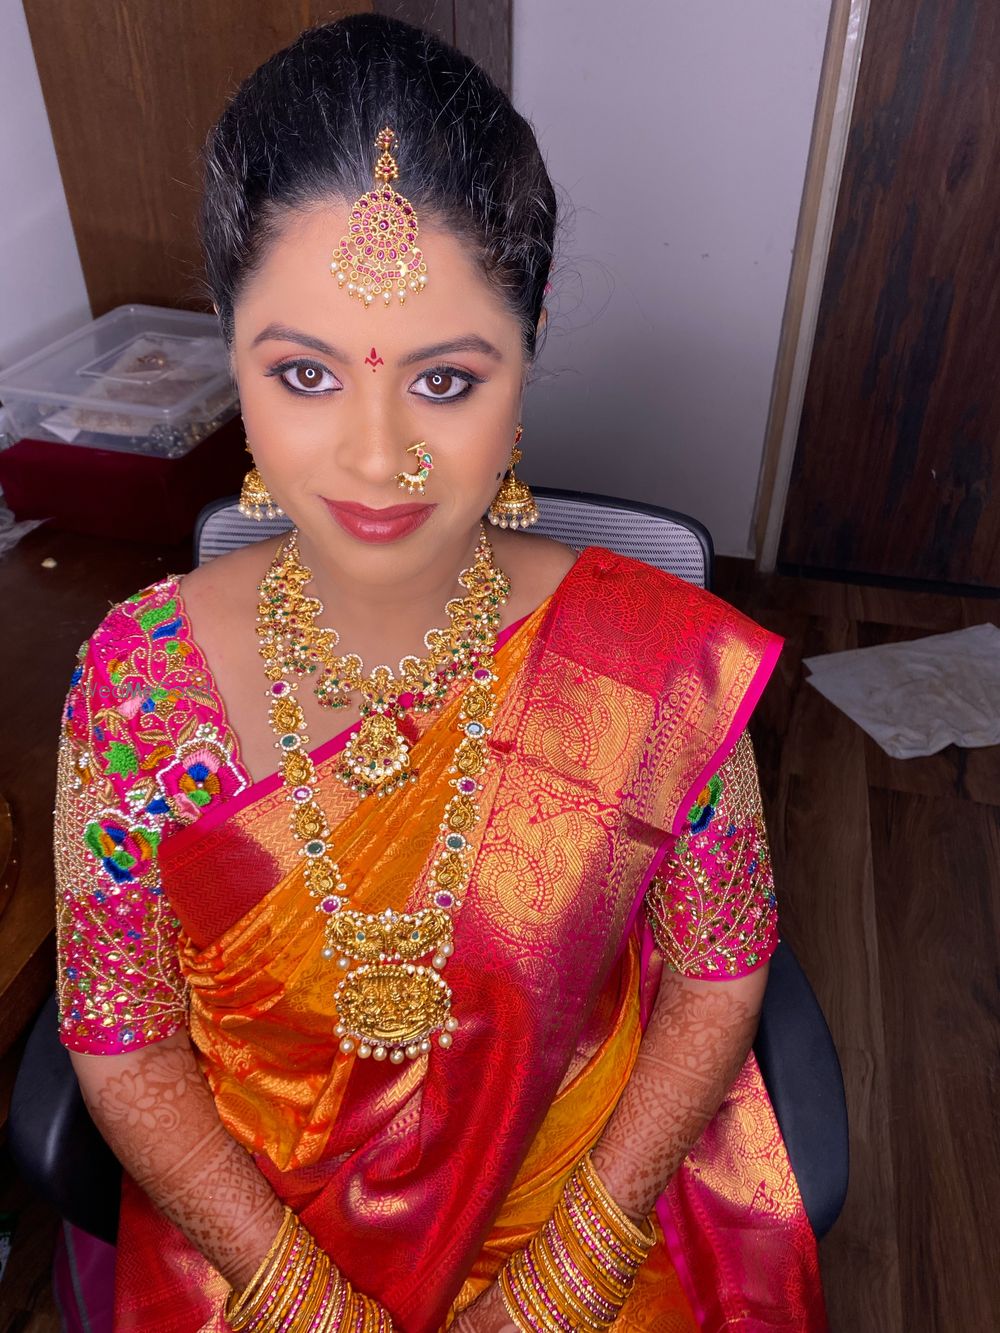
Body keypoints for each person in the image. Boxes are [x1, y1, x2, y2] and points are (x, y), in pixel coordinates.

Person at [53, 14, 826, 1331]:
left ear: (526, 361)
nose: (374, 456)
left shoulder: (655, 667)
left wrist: (558, 1286)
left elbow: (716, 974)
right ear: (230, 355)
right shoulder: (138, 690)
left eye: (447, 380)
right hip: (255, 1258)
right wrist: (307, 1304)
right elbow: (121, 1042)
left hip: (581, 1240)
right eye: (304, 372)